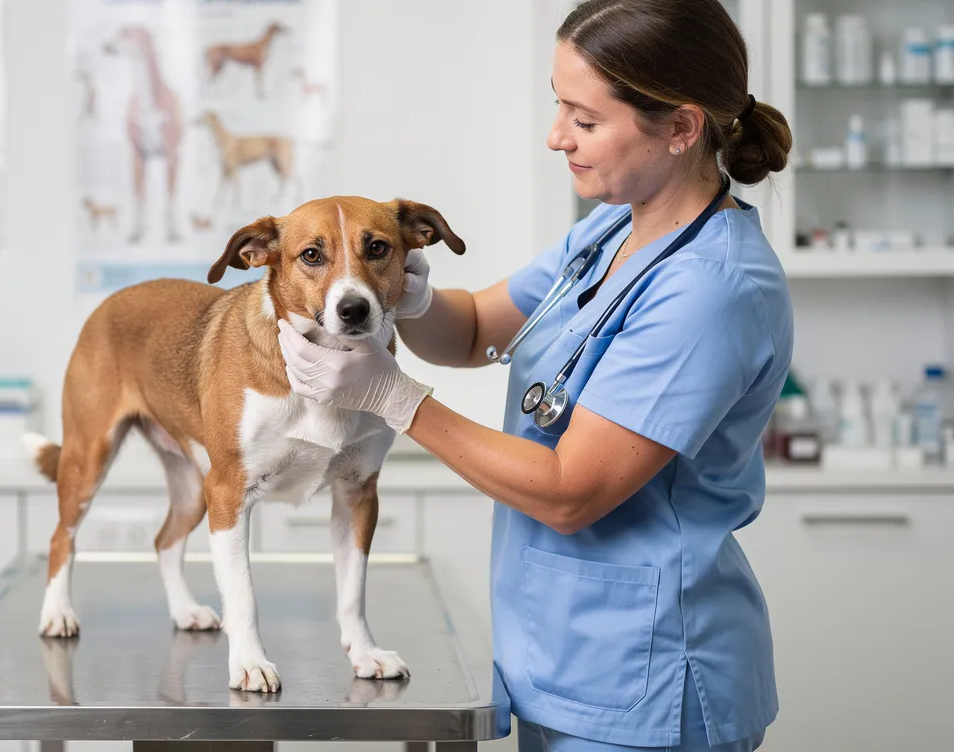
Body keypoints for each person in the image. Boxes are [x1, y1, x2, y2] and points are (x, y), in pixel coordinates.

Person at [276, 1, 794, 750]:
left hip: (645, 678)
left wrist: (392, 397)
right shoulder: (614, 227)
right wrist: (406, 290)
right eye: (559, 106)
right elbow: (478, 329)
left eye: (584, 121)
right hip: (562, 660)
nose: (557, 137)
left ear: (680, 129)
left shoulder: (713, 289)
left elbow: (570, 491)